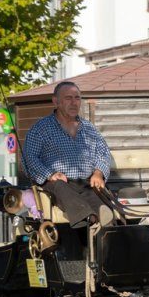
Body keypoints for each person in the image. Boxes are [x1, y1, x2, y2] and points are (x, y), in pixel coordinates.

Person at [24, 81, 113, 228]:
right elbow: (29, 158)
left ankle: (104, 221)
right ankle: (89, 218)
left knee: (100, 202)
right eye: (68, 98)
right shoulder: (41, 128)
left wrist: (98, 173)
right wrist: (50, 174)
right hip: (57, 183)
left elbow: (103, 153)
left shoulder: (89, 128)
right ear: (56, 102)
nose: (74, 103)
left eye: (77, 98)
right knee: (60, 187)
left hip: (86, 182)